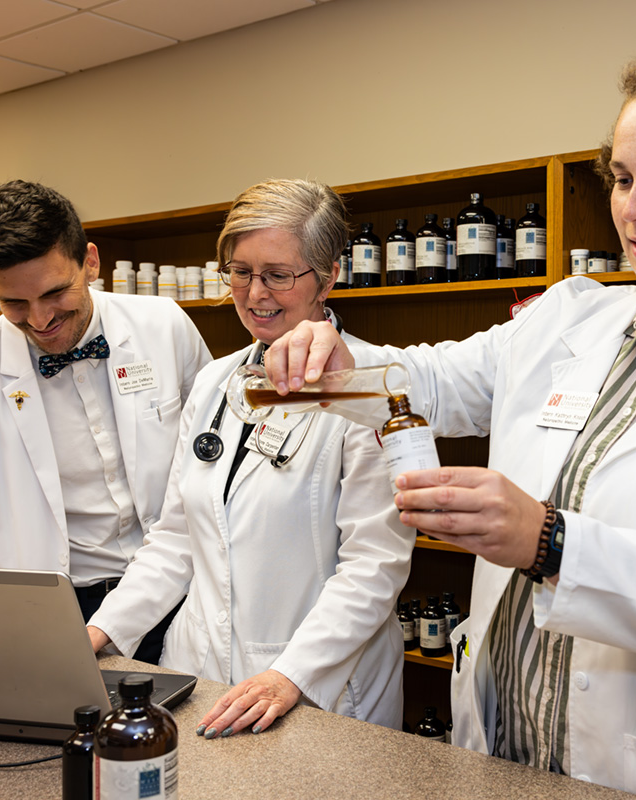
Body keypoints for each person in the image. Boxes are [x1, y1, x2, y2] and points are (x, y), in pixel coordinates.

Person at [263, 55, 636, 799]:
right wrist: (333, 355)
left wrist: (550, 542)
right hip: (506, 755)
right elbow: (429, 380)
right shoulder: (570, 316)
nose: (632, 208)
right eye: (622, 178)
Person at [87, 178, 413, 736]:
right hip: (201, 673)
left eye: (278, 275)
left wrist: (289, 674)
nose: (255, 293)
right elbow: (177, 537)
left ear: (328, 276)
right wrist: (102, 631)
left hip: (318, 685)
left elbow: (374, 566)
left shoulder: (371, 385)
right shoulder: (216, 381)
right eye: (240, 272)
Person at [0, 180, 213, 664]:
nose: (40, 319)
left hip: (183, 589)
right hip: (52, 611)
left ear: (90, 261)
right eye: (13, 303)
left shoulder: (164, 325)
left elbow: (210, 462)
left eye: (55, 292)